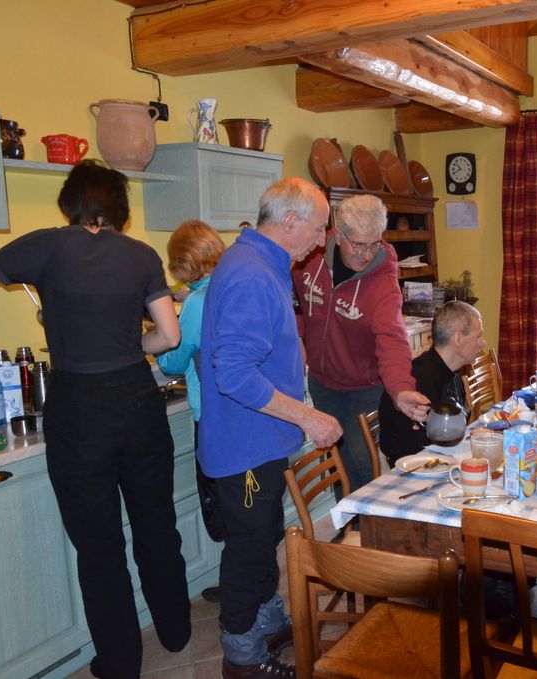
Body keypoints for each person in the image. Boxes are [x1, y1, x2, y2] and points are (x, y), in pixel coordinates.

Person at [0, 160, 191, 679]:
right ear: (119, 209)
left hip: (79, 411)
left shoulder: (42, 246)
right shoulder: (141, 254)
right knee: (157, 524)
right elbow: (169, 337)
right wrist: (128, 344)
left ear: (71, 204)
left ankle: (120, 662)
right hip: (137, 399)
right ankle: (176, 634)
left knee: (100, 545)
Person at [199, 177, 342, 679]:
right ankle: (243, 658)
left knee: (261, 541)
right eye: (319, 228)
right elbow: (233, 373)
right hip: (244, 447)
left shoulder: (262, 264)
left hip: (258, 442)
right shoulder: (252, 274)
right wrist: (307, 415)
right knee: (248, 551)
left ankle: (265, 621)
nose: (321, 239)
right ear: (289, 222)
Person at [293, 194, 430, 491]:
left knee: (362, 465)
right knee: (336, 463)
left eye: (374, 244)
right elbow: (294, 304)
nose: (367, 255)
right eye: (359, 245)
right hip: (321, 383)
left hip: (364, 389)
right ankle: (347, 525)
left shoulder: (383, 281)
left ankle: (364, 528)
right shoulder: (310, 256)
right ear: (338, 235)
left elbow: (392, 338)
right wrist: (299, 335)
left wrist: (401, 388)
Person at [156, 220, 225, 603]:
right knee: (240, 504)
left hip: (212, 417)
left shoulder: (197, 304)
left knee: (220, 505)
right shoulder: (230, 286)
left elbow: (172, 360)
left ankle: (237, 588)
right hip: (241, 413)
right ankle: (241, 579)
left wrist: (154, 341)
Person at [378, 301, 485, 465]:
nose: (482, 343)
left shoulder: (452, 374)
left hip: (442, 457)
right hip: (410, 470)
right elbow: (409, 451)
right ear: (458, 338)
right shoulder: (417, 382)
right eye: (478, 336)